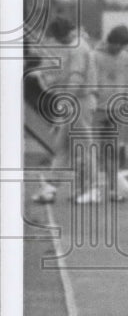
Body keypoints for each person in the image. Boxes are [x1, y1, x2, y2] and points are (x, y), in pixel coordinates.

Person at [31, 15, 98, 204]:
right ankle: (51, 187)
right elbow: (67, 75)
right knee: (63, 146)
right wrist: (45, 77)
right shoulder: (76, 45)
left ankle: (92, 189)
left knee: (83, 146)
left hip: (81, 101)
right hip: (75, 100)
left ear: (62, 34)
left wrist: (65, 101)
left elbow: (76, 77)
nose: (56, 40)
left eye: (56, 36)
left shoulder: (77, 47)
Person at [90, 24, 128, 203]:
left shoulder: (125, 57)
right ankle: (92, 189)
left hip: (116, 111)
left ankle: (113, 190)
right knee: (93, 150)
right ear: (111, 40)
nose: (120, 48)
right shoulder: (94, 56)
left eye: (123, 46)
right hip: (97, 110)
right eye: (118, 44)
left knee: (113, 152)